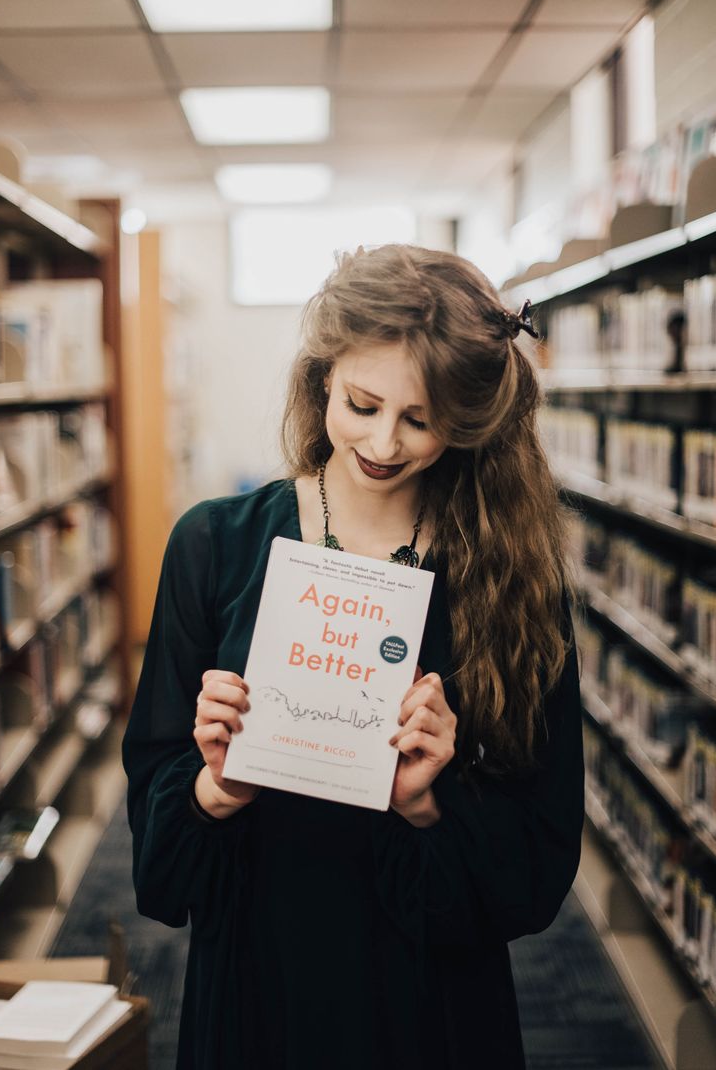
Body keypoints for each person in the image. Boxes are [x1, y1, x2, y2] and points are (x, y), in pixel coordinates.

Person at [121, 243, 585, 1070]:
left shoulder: (512, 578)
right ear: (322, 376)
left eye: (422, 419)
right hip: (261, 981)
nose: (383, 442)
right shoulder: (214, 547)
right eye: (362, 403)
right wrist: (212, 785)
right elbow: (157, 867)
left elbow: (539, 856)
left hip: (429, 997)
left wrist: (427, 806)